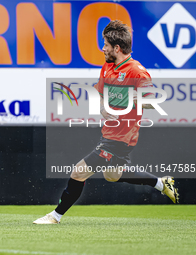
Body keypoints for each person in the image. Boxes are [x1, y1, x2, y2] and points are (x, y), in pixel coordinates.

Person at [33, 20, 179, 224]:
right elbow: (101, 92)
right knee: (112, 175)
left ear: (117, 48)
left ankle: (55, 216)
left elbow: (153, 102)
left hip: (123, 137)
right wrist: (102, 106)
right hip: (109, 133)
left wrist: (131, 99)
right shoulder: (108, 67)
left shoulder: (137, 71)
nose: (103, 49)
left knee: (79, 171)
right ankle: (160, 183)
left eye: (106, 46)